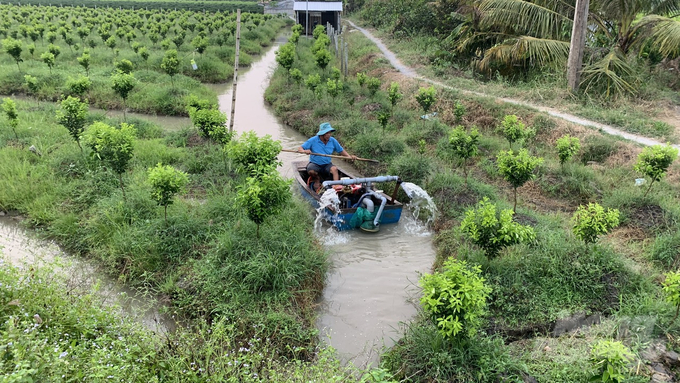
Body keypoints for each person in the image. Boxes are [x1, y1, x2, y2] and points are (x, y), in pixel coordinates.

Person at [298, 122, 356, 191]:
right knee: (311, 171)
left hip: (327, 164)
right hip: (315, 163)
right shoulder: (313, 140)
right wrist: (304, 151)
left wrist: (349, 157)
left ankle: (336, 186)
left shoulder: (333, 140)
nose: (329, 135)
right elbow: (300, 148)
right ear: (322, 134)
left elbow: (341, 150)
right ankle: (317, 179)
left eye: (329, 133)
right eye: (327, 133)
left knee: (334, 169)